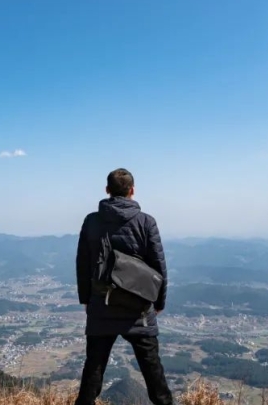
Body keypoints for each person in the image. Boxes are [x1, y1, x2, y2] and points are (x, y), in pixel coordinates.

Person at [75, 168, 172, 405]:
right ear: (132, 191)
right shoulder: (146, 222)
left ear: (107, 190)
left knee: (93, 374)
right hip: (138, 310)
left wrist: (86, 300)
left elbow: (83, 263)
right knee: (154, 375)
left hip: (102, 304)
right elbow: (158, 267)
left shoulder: (92, 221)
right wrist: (158, 302)